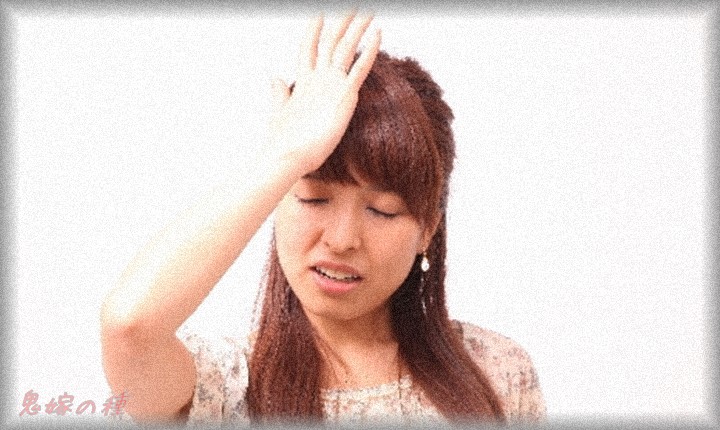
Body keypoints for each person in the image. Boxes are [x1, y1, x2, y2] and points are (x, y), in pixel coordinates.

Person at [100, 13, 546, 425]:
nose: (342, 239)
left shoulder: (496, 373)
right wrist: (286, 156)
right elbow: (129, 326)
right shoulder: (226, 386)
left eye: (382, 210)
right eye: (313, 199)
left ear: (427, 229)